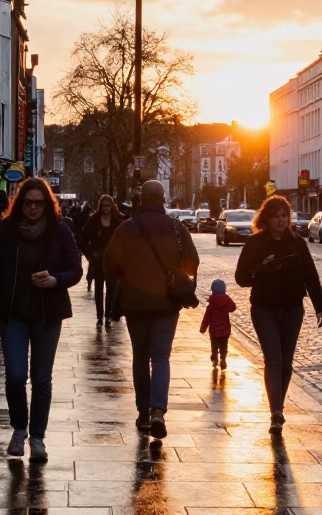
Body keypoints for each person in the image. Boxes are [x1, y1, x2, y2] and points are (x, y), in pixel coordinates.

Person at [0, 178, 82, 462]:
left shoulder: (60, 231)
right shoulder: (4, 231)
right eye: (28, 202)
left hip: (48, 315)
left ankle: (38, 437)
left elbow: (76, 270)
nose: (33, 208)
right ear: (19, 203)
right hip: (13, 313)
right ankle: (19, 429)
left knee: (42, 379)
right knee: (16, 376)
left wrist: (55, 280)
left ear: (47, 205)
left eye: (39, 203)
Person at [104, 180, 199, 439]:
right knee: (161, 358)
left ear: (141, 199)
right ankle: (159, 410)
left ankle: (143, 412)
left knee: (140, 357)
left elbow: (110, 265)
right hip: (166, 304)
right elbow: (193, 263)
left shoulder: (126, 229)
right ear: (163, 199)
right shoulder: (177, 227)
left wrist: (124, 279)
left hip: (135, 304)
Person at [235, 195, 322, 433]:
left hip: (293, 310)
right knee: (273, 360)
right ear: (266, 218)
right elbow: (241, 278)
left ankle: (279, 406)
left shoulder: (297, 244)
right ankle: (276, 414)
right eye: (276, 216)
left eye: (284, 215)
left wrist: (321, 307)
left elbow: (311, 277)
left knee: (286, 364)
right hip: (264, 309)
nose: (281, 220)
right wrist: (260, 269)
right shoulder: (255, 243)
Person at [81, 194, 123, 327]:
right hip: (98, 260)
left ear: (112, 206)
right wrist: (89, 254)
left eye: (108, 205)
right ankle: (100, 316)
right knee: (98, 288)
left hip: (113, 260)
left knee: (112, 288)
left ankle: (108, 315)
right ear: (100, 206)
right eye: (104, 205)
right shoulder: (93, 220)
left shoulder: (117, 221)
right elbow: (82, 238)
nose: (106, 208)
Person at [200, 279, 237, 369]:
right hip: (225, 329)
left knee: (214, 346)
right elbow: (233, 307)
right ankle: (223, 359)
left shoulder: (211, 303)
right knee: (224, 345)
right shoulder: (226, 299)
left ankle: (215, 357)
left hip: (214, 330)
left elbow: (207, 318)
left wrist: (203, 328)